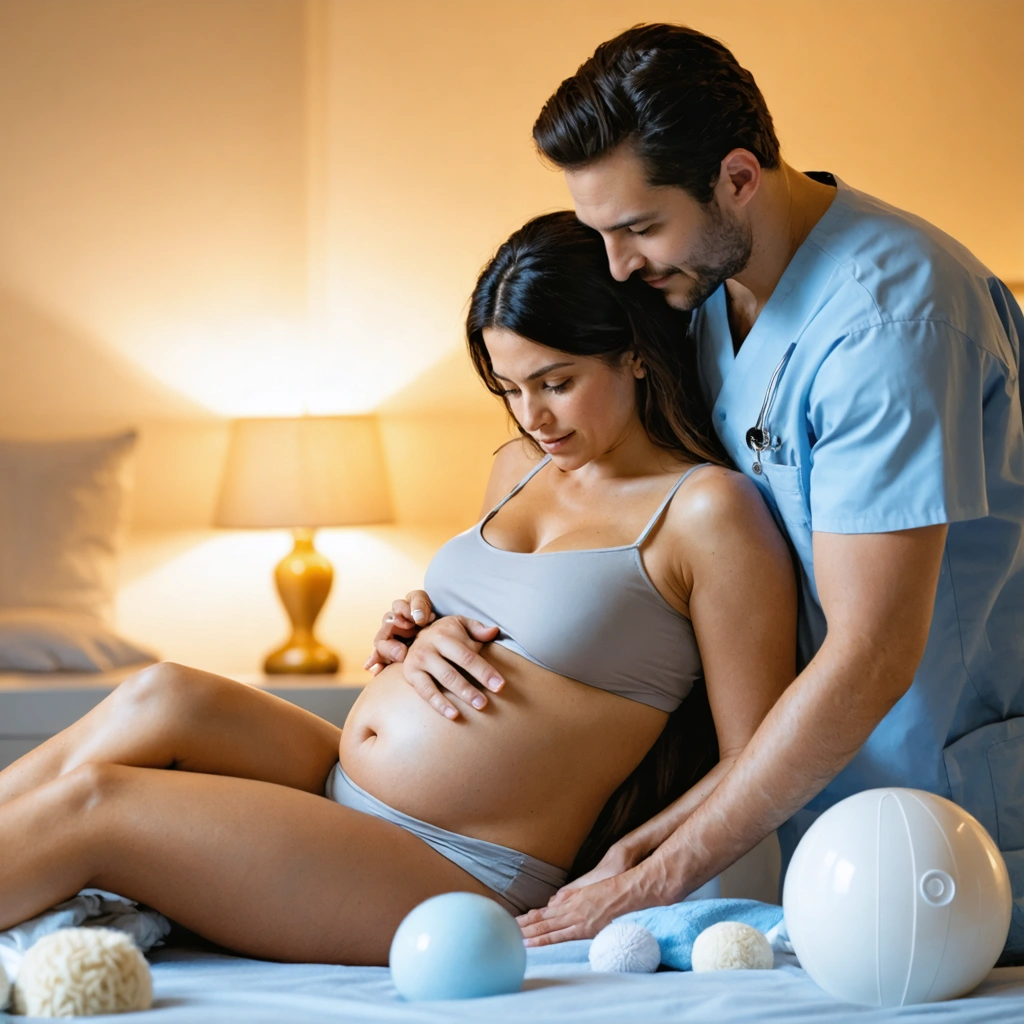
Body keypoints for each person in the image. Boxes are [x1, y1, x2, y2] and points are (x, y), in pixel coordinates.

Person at [370, 24, 1024, 955]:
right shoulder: (704, 290)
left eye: (639, 228)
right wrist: (442, 619)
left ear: (738, 178)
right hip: (801, 816)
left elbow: (871, 654)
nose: (619, 266)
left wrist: (650, 878)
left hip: (936, 816)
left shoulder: (891, 325)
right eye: (602, 232)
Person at [0, 212, 796, 966]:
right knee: (162, 694)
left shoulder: (706, 513)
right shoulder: (519, 468)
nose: (534, 416)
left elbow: (758, 754)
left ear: (634, 353)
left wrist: (632, 871)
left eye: (556, 382)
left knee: (99, 805)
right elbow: (504, 622)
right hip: (345, 788)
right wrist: (421, 625)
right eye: (509, 388)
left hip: (454, 864)